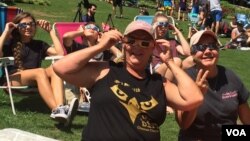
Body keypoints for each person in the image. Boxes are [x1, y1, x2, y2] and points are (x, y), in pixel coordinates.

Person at [53, 20, 204, 141]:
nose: (137, 47)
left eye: (145, 43)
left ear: (153, 48)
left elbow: (194, 98)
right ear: (123, 44)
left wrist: (169, 62)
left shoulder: (159, 83)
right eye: (131, 41)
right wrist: (100, 46)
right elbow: (61, 68)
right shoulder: (105, 70)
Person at [0, 12, 78, 126]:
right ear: (17, 28)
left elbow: (60, 54)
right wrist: (6, 32)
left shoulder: (40, 44)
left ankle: (61, 110)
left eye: (31, 24)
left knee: (56, 68)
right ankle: (57, 110)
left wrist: (51, 31)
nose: (28, 27)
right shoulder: (10, 43)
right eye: (23, 25)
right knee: (40, 71)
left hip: (34, 78)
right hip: (12, 80)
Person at [176, 30, 250, 141]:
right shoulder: (184, 79)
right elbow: (184, 124)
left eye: (212, 46)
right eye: (200, 47)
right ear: (192, 53)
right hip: (196, 137)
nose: (208, 51)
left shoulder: (230, 76)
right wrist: (197, 97)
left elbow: (247, 120)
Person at [62, 22, 121, 111]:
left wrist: (105, 43)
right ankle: (77, 102)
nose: (92, 29)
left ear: (99, 34)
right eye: (88, 27)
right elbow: (66, 37)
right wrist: (80, 32)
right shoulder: (77, 47)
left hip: (99, 83)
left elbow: (120, 56)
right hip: (80, 82)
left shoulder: (104, 51)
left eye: (95, 29)